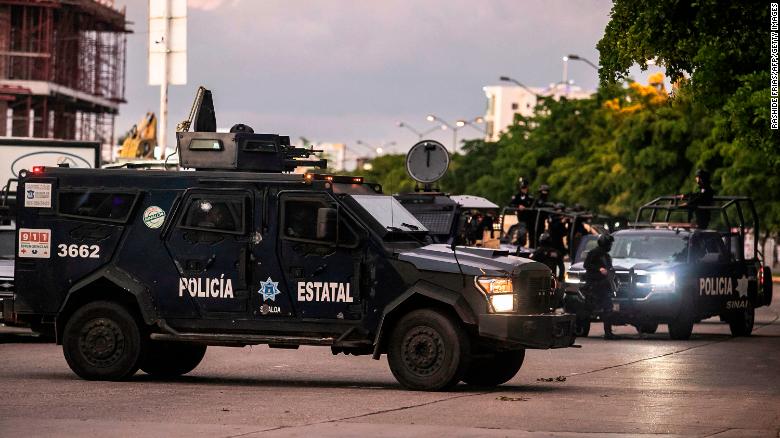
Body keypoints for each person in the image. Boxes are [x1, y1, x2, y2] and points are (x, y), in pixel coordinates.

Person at [583, 233, 618, 340]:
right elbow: (587, 265)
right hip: (595, 285)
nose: (610, 246)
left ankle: (608, 332)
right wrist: (599, 269)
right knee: (602, 308)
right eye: (609, 244)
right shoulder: (594, 253)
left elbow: (609, 269)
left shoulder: (606, 256)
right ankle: (607, 333)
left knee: (608, 309)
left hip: (604, 286)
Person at [508, 177, 535, 246]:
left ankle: (531, 247)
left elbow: (533, 206)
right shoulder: (517, 196)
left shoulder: (530, 197)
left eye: (525, 188)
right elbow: (511, 204)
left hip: (530, 219)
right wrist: (518, 206)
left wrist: (527, 208)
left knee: (532, 235)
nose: (524, 190)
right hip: (521, 219)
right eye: (523, 188)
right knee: (520, 232)